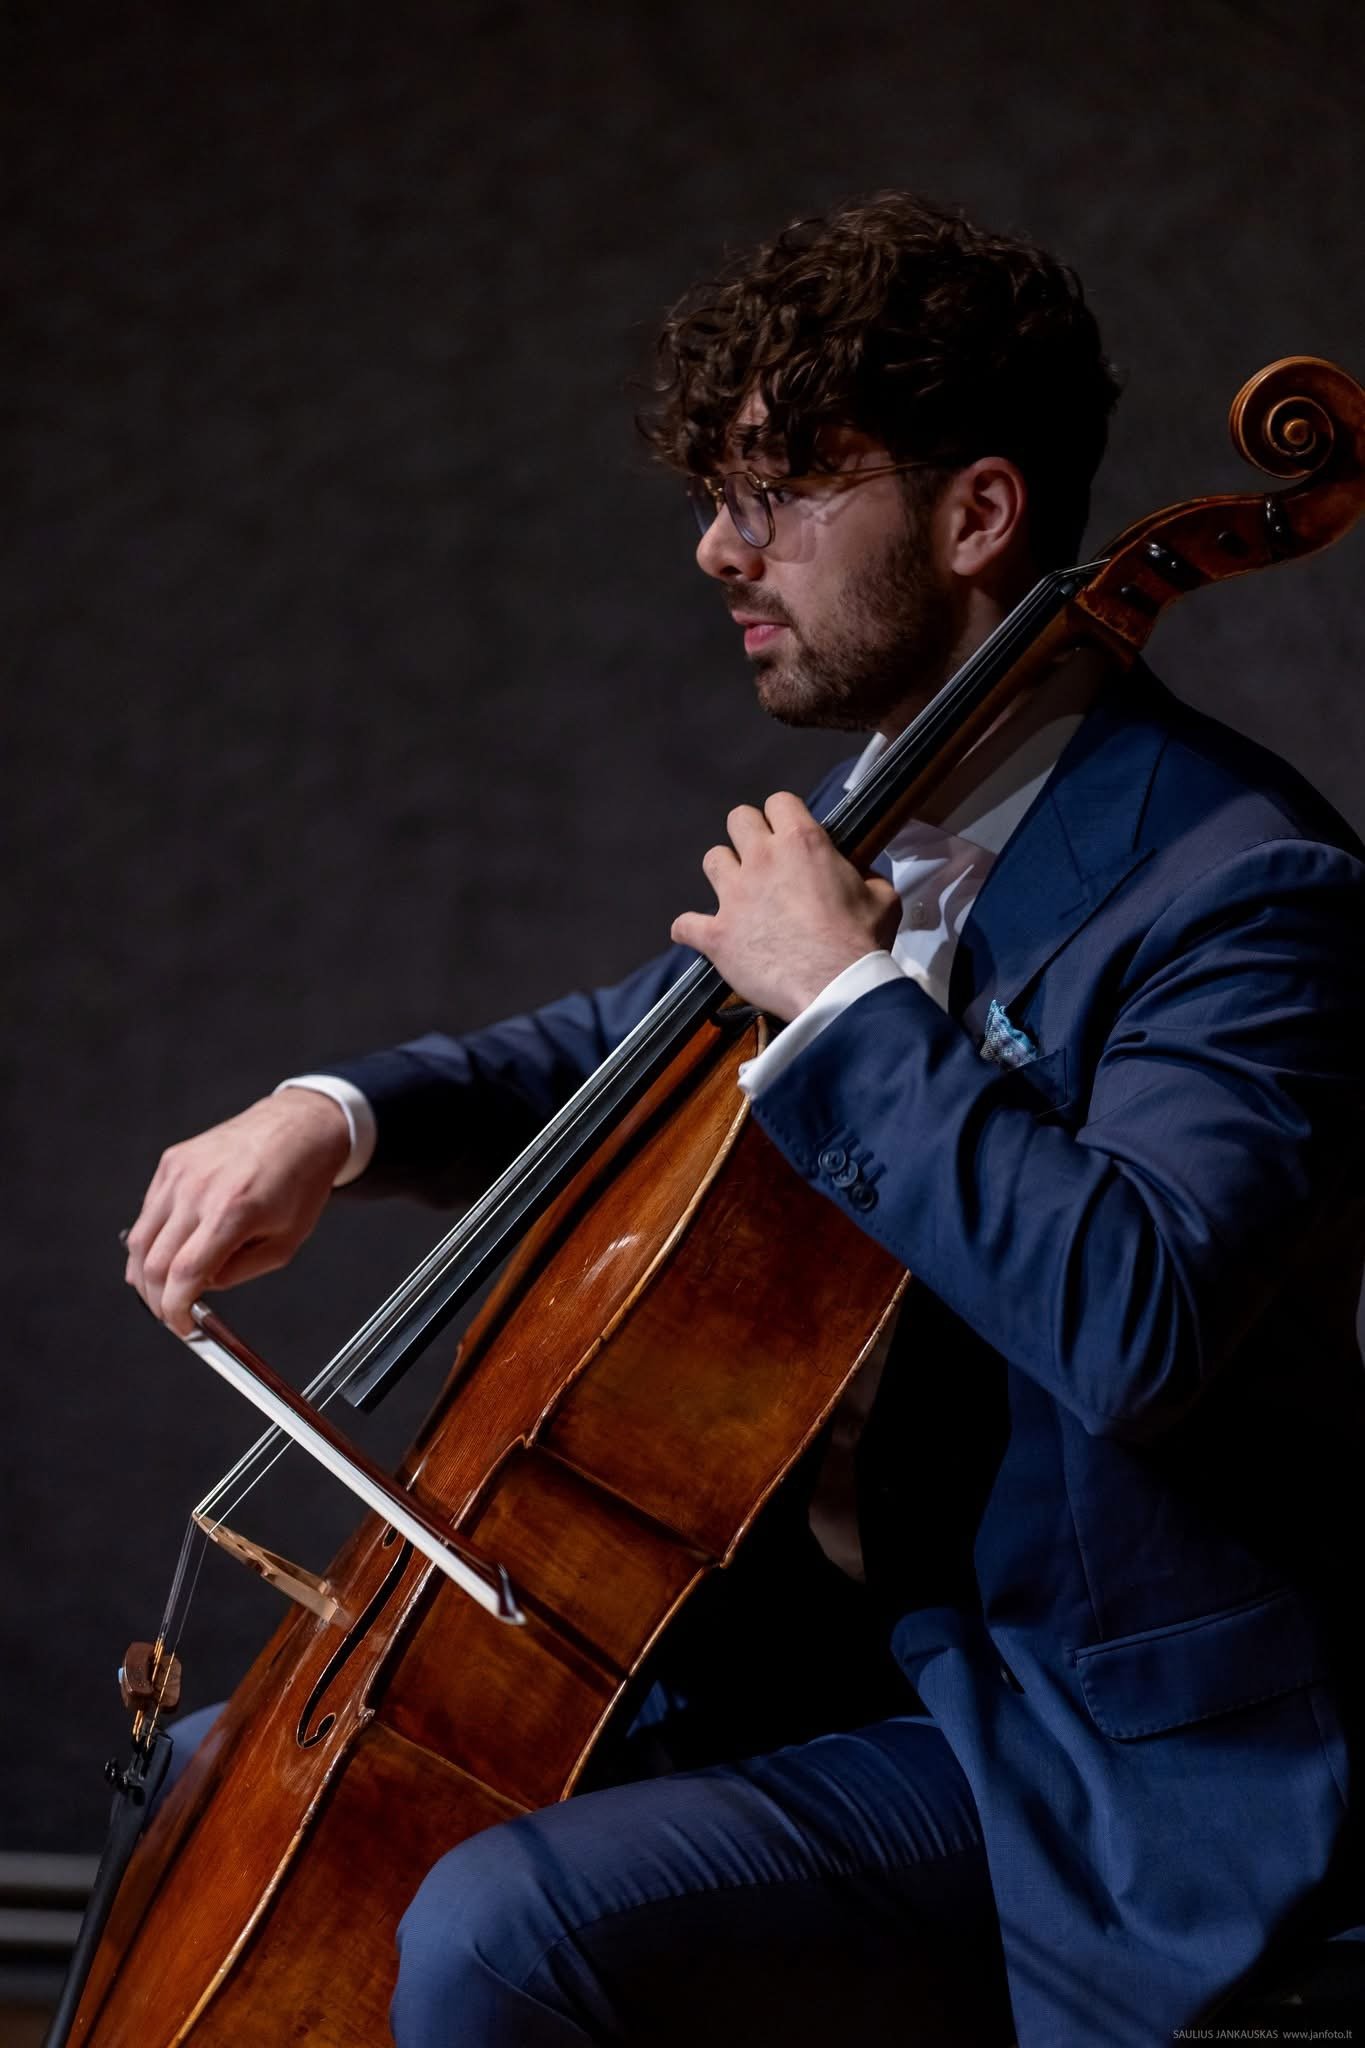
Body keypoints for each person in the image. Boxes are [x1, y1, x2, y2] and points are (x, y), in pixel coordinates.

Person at [124, 194, 1365, 2045]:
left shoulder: (1244, 889)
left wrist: (855, 1005)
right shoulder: (892, 816)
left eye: (779, 494)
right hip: (810, 1650)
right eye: (716, 494)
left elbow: (1139, 1317)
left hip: (1076, 1740)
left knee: (508, 1930)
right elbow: (618, 1046)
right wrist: (334, 1115)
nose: (719, 547)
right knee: (232, 1772)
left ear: (975, 517)